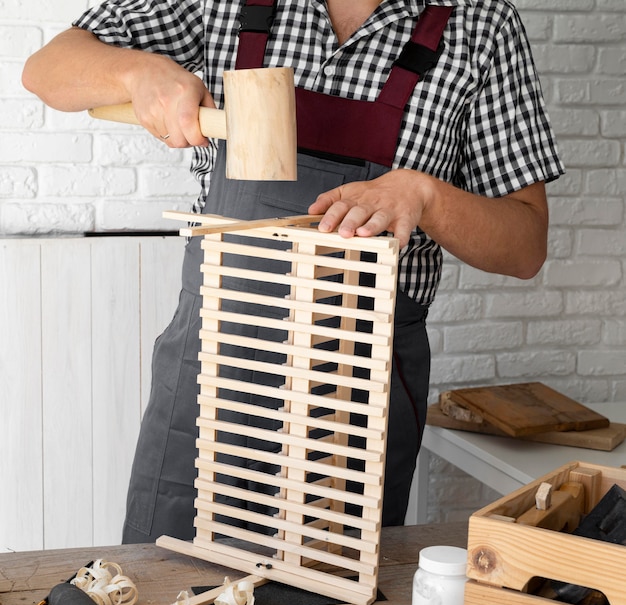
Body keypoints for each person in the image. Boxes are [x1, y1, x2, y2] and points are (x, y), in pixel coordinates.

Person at [23, 0, 564, 542]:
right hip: (210, 370)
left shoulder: (479, 25)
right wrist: (138, 70)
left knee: (329, 601)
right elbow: (47, 71)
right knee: (162, 590)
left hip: (353, 397)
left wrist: (425, 195)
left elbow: (524, 248)